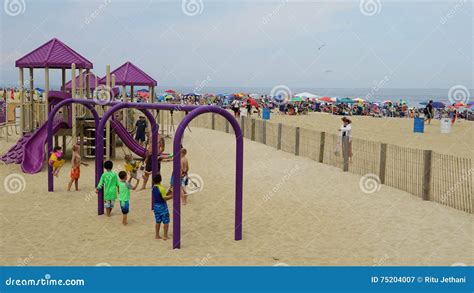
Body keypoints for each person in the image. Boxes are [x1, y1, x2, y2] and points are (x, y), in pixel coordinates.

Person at [152, 174, 172, 240]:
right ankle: (165, 236)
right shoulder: (162, 188)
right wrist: (172, 196)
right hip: (162, 206)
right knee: (166, 221)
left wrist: (168, 193)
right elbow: (164, 198)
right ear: (161, 180)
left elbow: (160, 195)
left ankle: (157, 235)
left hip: (156, 206)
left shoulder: (154, 187)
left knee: (158, 221)